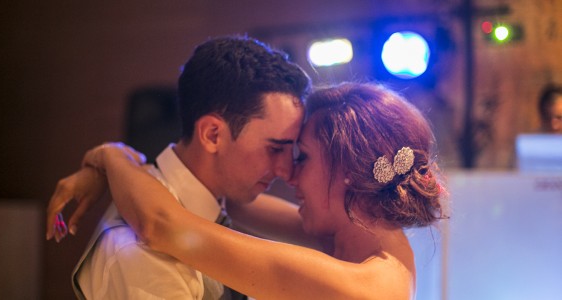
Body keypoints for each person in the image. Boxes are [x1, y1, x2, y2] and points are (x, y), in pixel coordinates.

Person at [48, 82, 447, 299]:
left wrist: (110, 155)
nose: (288, 174)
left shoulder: (359, 287)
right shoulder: (370, 238)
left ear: (346, 171)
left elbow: (160, 224)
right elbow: (229, 195)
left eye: (301, 157)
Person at [47, 35, 311, 299]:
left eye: (296, 152)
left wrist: (110, 156)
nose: (287, 172)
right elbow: (158, 222)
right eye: (275, 149)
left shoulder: (215, 204)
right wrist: (110, 157)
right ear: (212, 135)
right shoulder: (142, 255)